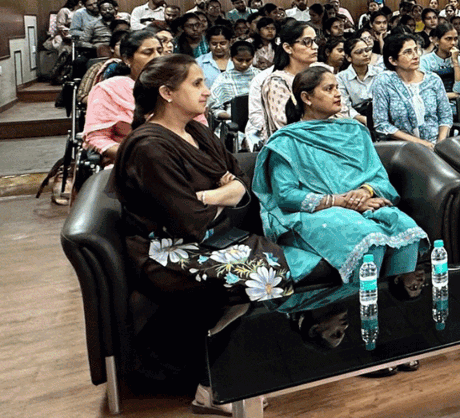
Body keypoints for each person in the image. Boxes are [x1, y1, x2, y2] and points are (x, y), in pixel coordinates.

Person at [112, 54, 294, 413]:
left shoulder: (197, 131)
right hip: (164, 250)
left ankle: (227, 367)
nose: (207, 91)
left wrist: (214, 195)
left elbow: (240, 179)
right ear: (166, 93)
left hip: (207, 238)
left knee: (273, 259)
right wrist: (225, 193)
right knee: (259, 273)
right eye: (196, 83)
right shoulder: (149, 146)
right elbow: (189, 221)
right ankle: (211, 385)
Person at [254, 66, 427, 285]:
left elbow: (377, 175)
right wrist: (341, 202)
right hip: (316, 213)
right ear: (306, 98)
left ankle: (393, 303)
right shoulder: (286, 141)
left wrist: (365, 191)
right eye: (329, 89)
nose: (337, 94)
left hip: (361, 205)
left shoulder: (354, 130)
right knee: (367, 240)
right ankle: (362, 302)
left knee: (406, 230)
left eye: (337, 87)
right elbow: (286, 195)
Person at [83, 30, 163, 166]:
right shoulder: (109, 89)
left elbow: (197, 126)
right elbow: (97, 138)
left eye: (159, 51)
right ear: (127, 59)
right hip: (127, 161)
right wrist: (137, 155)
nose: (157, 57)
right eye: (148, 52)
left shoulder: (175, 85)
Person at [370, 32, 451, 148]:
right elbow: (382, 124)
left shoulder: (433, 79)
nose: (415, 56)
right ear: (393, 60)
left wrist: (440, 144)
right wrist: (422, 144)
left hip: (436, 143)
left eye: (416, 50)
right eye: (408, 52)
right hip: (404, 147)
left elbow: (445, 117)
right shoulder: (384, 81)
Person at [262, 21, 322, 140]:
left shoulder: (322, 73)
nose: (315, 47)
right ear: (288, 48)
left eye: (315, 41)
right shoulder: (278, 82)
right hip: (295, 142)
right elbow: (285, 126)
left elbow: (341, 111)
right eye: (307, 42)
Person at [336, 36, 383, 123]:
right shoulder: (341, 78)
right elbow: (345, 106)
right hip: (357, 118)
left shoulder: (379, 72)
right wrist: (364, 120)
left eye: (367, 50)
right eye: (359, 52)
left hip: (381, 113)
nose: (365, 54)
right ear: (348, 57)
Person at [207, 41, 259, 113]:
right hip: (231, 115)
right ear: (231, 58)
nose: (244, 64)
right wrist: (228, 116)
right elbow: (214, 107)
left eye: (248, 60)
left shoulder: (259, 76)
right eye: (239, 60)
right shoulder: (223, 78)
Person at [421, 23, 460, 98]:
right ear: (437, 40)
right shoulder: (425, 61)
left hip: (456, 103)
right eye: (448, 39)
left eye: (455, 39)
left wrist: (455, 62)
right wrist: (453, 95)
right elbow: (426, 91)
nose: (453, 43)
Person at [196, 25, 234, 90]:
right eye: (214, 44)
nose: (218, 47)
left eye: (222, 43)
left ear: (230, 42)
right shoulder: (199, 62)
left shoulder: (239, 60)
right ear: (208, 43)